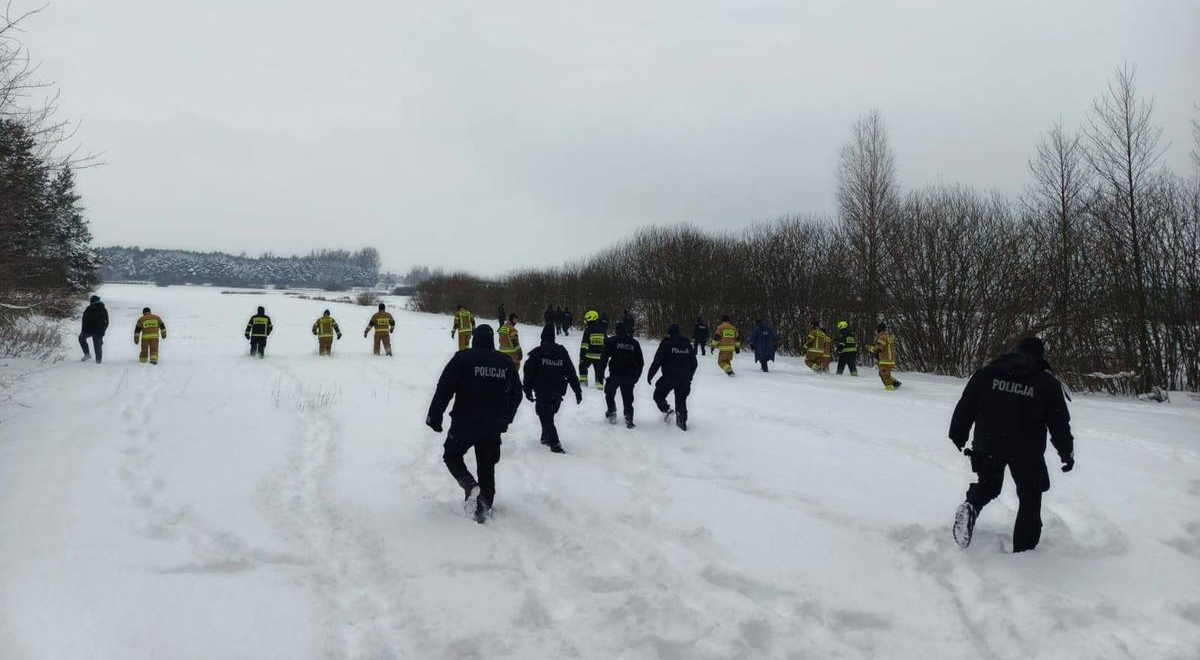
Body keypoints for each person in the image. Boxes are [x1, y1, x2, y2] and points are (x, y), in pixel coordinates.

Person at [948, 337, 1074, 552]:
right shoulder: (1047, 383)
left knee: (988, 485)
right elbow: (1059, 422)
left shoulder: (988, 373)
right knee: (1030, 497)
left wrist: (958, 433)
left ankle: (971, 505)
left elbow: (966, 405)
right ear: (1040, 356)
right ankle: (1024, 553)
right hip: (1027, 451)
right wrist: (1066, 452)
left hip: (988, 443)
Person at [425, 324, 522, 524]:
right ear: (492, 342)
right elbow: (517, 394)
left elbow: (445, 388)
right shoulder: (505, 363)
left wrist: (435, 415)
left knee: (451, 455)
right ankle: (483, 509)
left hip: (465, 421)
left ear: (474, 339)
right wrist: (506, 417)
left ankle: (469, 484)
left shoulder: (462, 358)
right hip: (492, 425)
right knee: (487, 467)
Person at [523, 323, 583, 453]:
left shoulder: (537, 352)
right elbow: (571, 373)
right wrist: (577, 390)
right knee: (548, 415)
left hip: (543, 391)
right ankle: (545, 437)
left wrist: (527, 389)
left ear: (542, 337)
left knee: (545, 415)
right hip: (557, 393)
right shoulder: (561, 351)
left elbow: (528, 372)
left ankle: (554, 443)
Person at [647, 323, 697, 431]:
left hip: (669, 377)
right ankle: (682, 424)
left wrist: (650, 375)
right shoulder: (687, 344)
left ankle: (667, 411)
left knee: (658, 395)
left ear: (669, 333)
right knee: (681, 401)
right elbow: (694, 363)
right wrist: (690, 376)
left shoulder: (666, 343)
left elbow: (657, 361)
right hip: (684, 378)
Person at [598, 321, 644, 428]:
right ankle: (629, 419)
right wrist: (636, 377)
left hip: (615, 374)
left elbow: (604, 357)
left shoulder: (612, 340)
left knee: (609, 393)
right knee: (628, 398)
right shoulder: (634, 343)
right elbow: (640, 362)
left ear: (617, 330)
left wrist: (600, 373)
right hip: (629, 376)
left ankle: (612, 412)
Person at [578, 309, 608, 388]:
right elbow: (606, 343)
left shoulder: (588, 330)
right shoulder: (603, 330)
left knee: (582, 366)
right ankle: (599, 385)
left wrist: (582, 356)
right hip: (600, 357)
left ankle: (583, 383)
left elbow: (584, 344)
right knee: (599, 372)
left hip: (589, 355)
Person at [867, 322, 901, 390]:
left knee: (884, 374)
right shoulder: (888, 336)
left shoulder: (882, 337)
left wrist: (869, 348)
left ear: (879, 329)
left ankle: (889, 389)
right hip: (890, 359)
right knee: (882, 373)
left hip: (886, 359)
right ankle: (894, 382)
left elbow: (878, 349)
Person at [79, 295, 109, 363]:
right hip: (98, 330)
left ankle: (88, 354)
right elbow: (106, 322)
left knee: (82, 338)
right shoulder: (103, 309)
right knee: (97, 345)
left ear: (92, 301)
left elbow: (84, 321)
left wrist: (83, 331)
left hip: (90, 330)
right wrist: (103, 331)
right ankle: (98, 359)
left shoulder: (89, 308)